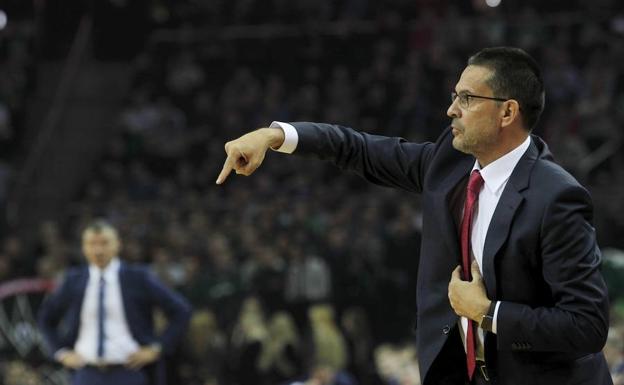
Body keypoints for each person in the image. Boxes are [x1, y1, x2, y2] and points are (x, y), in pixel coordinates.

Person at [216, 47, 612, 385]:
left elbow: (587, 327)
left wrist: (488, 314)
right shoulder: (450, 162)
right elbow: (359, 149)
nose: (451, 109)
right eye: (455, 95)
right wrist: (274, 136)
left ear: (507, 112)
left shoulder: (556, 198)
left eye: (467, 99)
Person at [38, 220, 192, 385]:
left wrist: (157, 348)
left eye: (104, 243)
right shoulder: (73, 280)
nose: (98, 250)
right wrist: (61, 352)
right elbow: (46, 318)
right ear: (83, 247)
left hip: (129, 371)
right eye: (92, 244)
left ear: (118, 244)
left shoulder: (138, 278)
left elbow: (181, 310)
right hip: (86, 372)